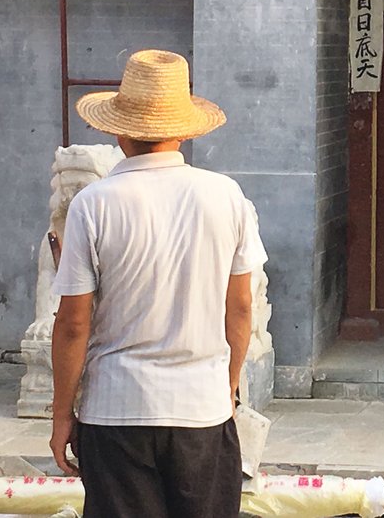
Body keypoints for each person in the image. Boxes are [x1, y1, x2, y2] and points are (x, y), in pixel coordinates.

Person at [49, 49, 268, 518]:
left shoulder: (93, 204)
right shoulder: (226, 196)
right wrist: (226, 388)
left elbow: (72, 322)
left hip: (116, 410)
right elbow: (242, 309)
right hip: (202, 410)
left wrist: (62, 414)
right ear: (185, 130)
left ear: (118, 129)